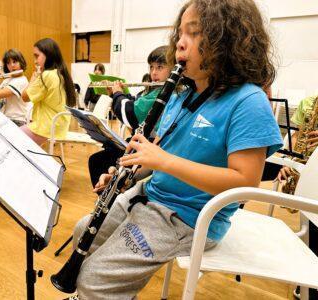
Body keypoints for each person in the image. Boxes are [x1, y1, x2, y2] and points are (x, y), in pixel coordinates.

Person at [67, 1, 283, 299]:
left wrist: (164, 161)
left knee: (94, 279)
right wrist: (127, 172)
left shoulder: (248, 101)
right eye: (179, 33)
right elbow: (157, 156)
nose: (179, 43)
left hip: (188, 217)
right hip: (149, 196)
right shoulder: (183, 95)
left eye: (193, 34)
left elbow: (245, 181)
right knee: (83, 232)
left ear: (227, 40)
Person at [87, 46, 171, 187]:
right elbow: (137, 103)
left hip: (150, 145)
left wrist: (117, 94)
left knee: (98, 160)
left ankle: (112, 193)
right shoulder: (157, 90)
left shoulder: (163, 92)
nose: (154, 73)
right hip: (144, 142)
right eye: (151, 67)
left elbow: (130, 113)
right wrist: (117, 94)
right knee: (104, 154)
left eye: (160, 67)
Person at [275, 94, 318, 300]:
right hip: (310, 172)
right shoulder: (310, 102)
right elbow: (297, 137)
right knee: (311, 228)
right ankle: (309, 283)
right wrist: (289, 162)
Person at [21, 38, 76, 146]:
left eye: (37, 56)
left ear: (48, 55)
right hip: (59, 125)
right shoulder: (59, 73)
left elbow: (24, 97)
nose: (35, 61)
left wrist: (32, 80)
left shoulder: (47, 75)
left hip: (47, 126)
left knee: (12, 139)